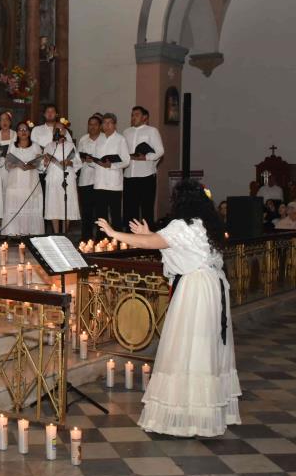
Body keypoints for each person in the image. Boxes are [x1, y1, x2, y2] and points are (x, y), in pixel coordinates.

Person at [96, 179, 241, 437]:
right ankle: (205, 411)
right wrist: (148, 234)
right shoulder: (207, 224)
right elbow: (168, 244)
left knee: (188, 346)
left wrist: (115, 233)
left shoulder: (181, 224)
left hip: (195, 290)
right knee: (205, 345)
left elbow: (155, 244)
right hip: (213, 287)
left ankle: (189, 414)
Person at [123, 106, 164, 230]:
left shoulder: (152, 131)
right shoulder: (126, 132)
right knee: (130, 209)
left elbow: (160, 151)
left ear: (144, 117)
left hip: (146, 176)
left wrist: (145, 157)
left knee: (146, 209)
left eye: (136, 114)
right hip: (129, 175)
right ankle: (130, 240)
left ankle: (148, 240)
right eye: (132, 115)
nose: (133, 117)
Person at [1, 121, 44, 237]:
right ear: (17, 133)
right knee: (15, 205)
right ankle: (14, 233)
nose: (23, 132)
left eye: (25, 129)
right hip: (15, 181)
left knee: (29, 205)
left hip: (30, 180)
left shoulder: (35, 146)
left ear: (29, 132)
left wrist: (30, 165)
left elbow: (39, 163)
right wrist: (17, 164)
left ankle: (30, 232)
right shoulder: (12, 145)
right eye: (20, 129)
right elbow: (7, 164)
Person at [92, 113, 130, 236]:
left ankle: (117, 242)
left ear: (115, 125)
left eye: (109, 123)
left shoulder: (120, 139)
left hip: (114, 184)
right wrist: (90, 161)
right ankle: (100, 241)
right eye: (104, 123)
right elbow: (95, 160)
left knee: (115, 215)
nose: (106, 125)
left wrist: (112, 166)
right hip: (99, 183)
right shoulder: (99, 139)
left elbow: (126, 161)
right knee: (100, 215)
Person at [43, 123, 81, 233]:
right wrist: (45, 162)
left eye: (61, 129)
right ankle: (56, 232)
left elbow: (78, 162)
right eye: (56, 129)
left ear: (64, 132)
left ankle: (65, 232)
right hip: (53, 178)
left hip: (66, 178)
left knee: (67, 205)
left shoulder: (70, 145)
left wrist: (70, 162)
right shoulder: (49, 146)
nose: (58, 131)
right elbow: (42, 165)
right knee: (54, 205)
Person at [77, 115, 102, 240]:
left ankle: (100, 239)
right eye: (90, 124)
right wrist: (82, 159)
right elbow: (78, 159)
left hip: (100, 181)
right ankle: (86, 239)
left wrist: (93, 160)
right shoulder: (83, 139)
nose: (92, 127)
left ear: (100, 126)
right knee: (86, 212)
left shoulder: (104, 139)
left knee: (99, 213)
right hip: (85, 180)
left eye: (95, 124)